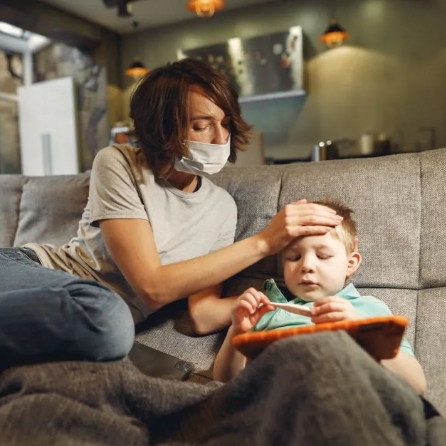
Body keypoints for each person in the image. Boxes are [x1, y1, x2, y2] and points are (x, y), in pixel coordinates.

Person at [0, 59, 344, 370]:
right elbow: (151, 287)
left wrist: (288, 306)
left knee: (110, 325)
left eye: (225, 124)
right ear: (162, 128)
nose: (220, 138)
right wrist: (264, 242)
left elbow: (202, 314)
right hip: (34, 271)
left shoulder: (222, 207)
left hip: (95, 313)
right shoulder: (118, 162)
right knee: (109, 320)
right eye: (201, 125)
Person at [213, 199, 426, 394]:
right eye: (293, 257)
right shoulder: (266, 311)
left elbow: (416, 384)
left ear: (350, 264)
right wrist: (237, 331)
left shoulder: (368, 309)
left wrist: (362, 333)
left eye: (323, 256)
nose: (306, 265)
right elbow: (224, 382)